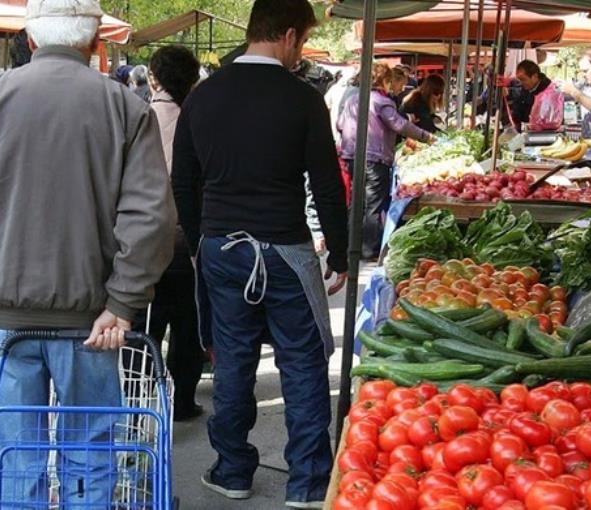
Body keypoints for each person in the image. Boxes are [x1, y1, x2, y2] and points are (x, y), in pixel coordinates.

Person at [0, 0, 176, 506]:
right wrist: (122, 302)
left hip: (1, 317)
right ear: (96, 43)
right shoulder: (126, 108)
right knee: (90, 453)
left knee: (13, 453)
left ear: (30, 39)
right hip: (93, 320)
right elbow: (152, 218)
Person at [171, 0, 348, 508]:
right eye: (302, 42)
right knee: (303, 364)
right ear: (289, 36)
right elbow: (327, 187)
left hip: (223, 250)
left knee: (232, 362)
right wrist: (338, 251)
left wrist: (207, 239)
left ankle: (232, 472)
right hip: (286, 250)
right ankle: (309, 482)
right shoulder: (302, 98)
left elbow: (183, 181)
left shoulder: (202, 98)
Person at [137, 45, 206, 421]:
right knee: (187, 325)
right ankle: (182, 403)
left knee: (146, 326)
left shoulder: (138, 117)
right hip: (190, 243)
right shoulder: (199, 120)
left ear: (154, 77)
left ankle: (141, 409)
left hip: (145, 244)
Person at [338, 62, 433, 260]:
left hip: (352, 156)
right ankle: (369, 249)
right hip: (375, 158)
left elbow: (340, 124)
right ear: (385, 81)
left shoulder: (353, 99)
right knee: (373, 203)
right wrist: (426, 136)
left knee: (357, 202)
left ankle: (350, 244)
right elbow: (398, 124)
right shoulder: (381, 101)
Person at [512, 59, 556, 127]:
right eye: (519, 79)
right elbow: (518, 113)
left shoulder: (548, 92)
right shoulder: (525, 89)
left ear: (534, 76)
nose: (521, 83)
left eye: (523, 79)